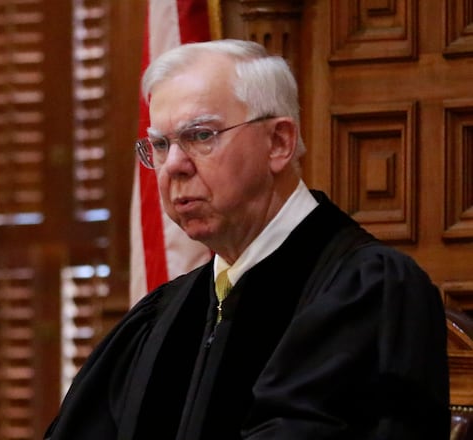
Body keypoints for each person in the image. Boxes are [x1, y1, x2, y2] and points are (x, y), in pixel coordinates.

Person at [44, 39, 449, 439]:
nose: (173, 167)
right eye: (161, 145)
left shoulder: (367, 291)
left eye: (200, 136)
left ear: (279, 142)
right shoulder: (167, 312)